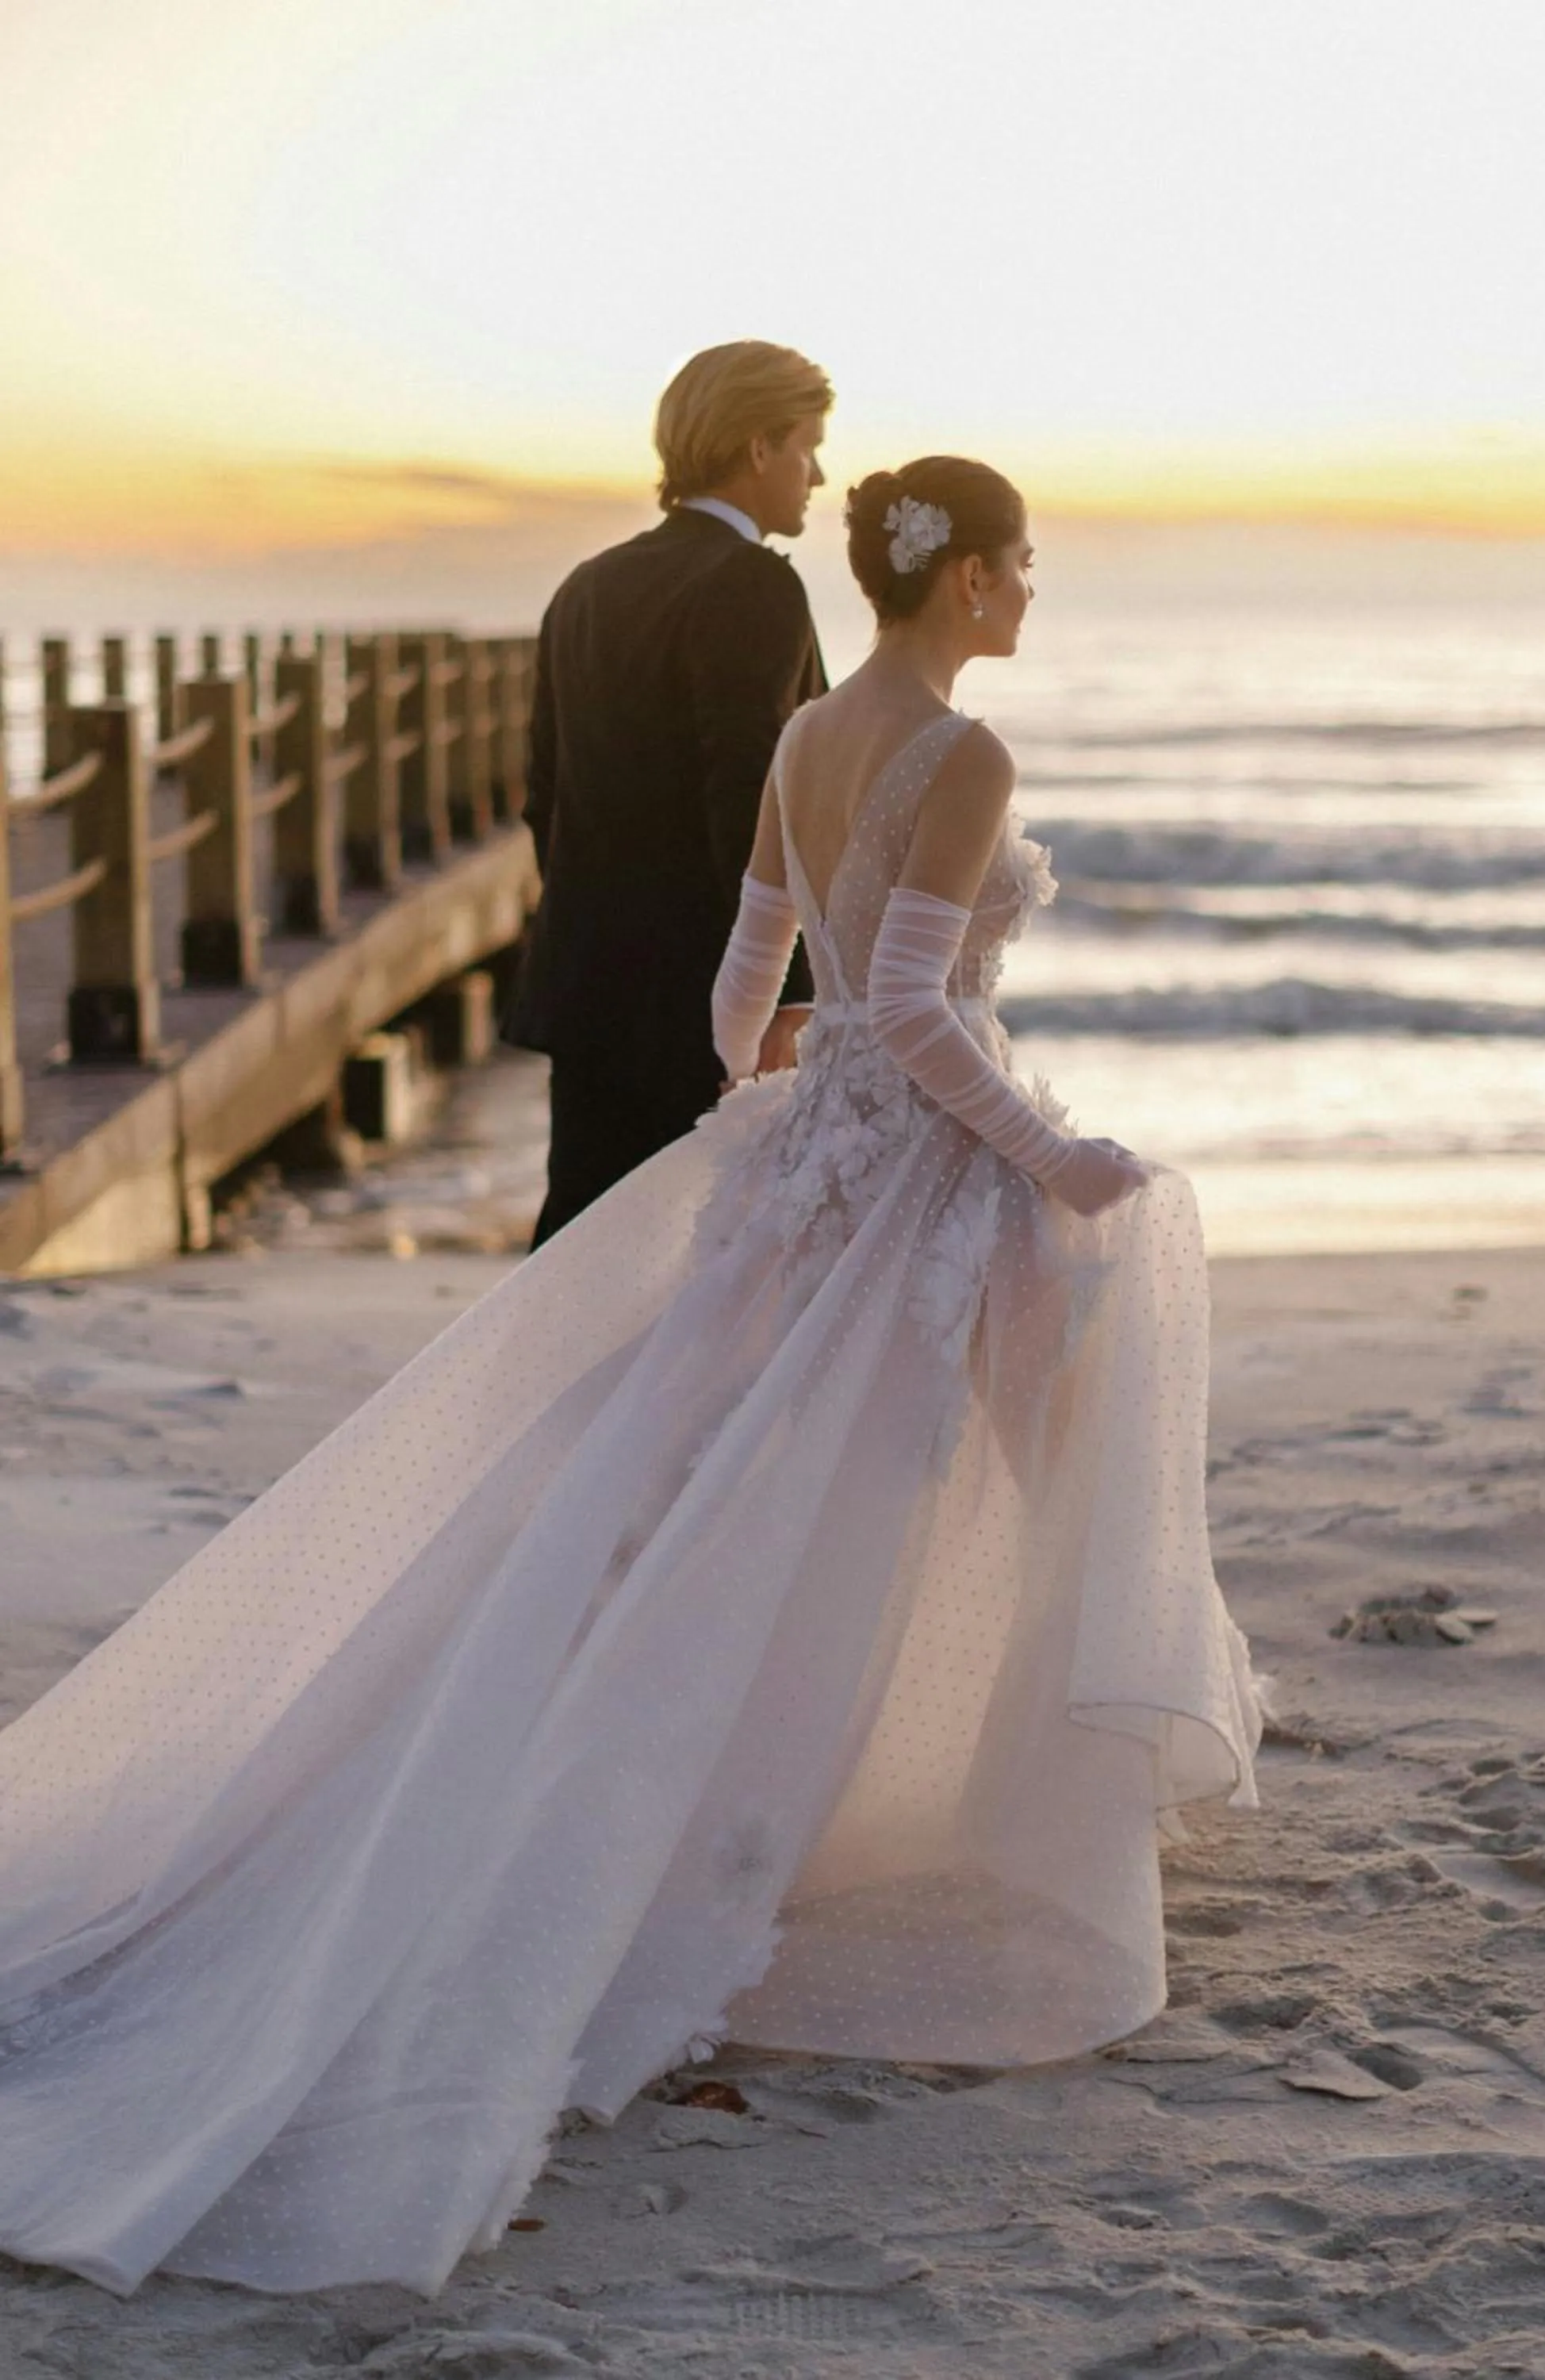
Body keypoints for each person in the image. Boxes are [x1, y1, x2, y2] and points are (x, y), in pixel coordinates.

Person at [0, 455, 1260, 2299]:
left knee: (804, 1485)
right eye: (1021, 563)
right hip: (928, 1162)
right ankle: (1004, 1807)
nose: (1030, 589)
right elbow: (921, 1009)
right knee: (1002, 1452)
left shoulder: (808, 733)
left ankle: (892, 1791)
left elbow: (747, 979)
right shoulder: (960, 753)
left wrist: (782, 1090)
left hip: (816, 1155)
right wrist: (1050, 1154)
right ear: (965, 578)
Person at [503, 339, 832, 1244]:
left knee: (582, 1256)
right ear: (758, 448)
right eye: (806, 447)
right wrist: (786, 989)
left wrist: (599, 929)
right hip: (706, 1000)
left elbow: (545, 799)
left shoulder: (585, 587)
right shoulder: (753, 585)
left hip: (591, 987)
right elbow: (752, 804)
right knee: (711, 1262)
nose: (816, 474)